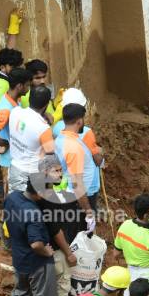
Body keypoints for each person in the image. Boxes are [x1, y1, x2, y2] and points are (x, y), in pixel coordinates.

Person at [36, 156, 86, 296]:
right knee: (62, 285)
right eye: (56, 171)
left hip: (49, 249)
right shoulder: (46, 196)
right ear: (45, 173)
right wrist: (68, 253)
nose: (60, 174)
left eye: (60, 170)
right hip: (56, 250)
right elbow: (55, 230)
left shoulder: (44, 191)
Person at [4, 162, 56, 296]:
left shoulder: (12, 197)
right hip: (36, 264)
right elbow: (36, 244)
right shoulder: (33, 213)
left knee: (21, 293)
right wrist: (46, 252)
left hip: (19, 258)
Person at [55, 102, 98, 237]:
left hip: (68, 196)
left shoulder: (59, 139)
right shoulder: (73, 147)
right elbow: (77, 184)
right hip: (80, 199)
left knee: (71, 234)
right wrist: (88, 212)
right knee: (81, 239)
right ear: (79, 121)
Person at [0, 66, 33, 189]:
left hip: (14, 159)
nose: (28, 89)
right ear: (19, 86)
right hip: (10, 161)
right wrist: (5, 143)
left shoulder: (10, 99)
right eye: (27, 85)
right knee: (12, 194)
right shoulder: (6, 110)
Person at [7, 85, 56, 192]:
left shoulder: (15, 111)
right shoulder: (43, 128)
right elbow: (50, 153)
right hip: (31, 176)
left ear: (29, 99)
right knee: (30, 206)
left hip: (14, 169)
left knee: (15, 203)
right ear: (46, 105)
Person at [0, 47, 23, 121]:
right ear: (2, 67)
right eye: (14, 67)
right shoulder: (3, 87)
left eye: (18, 66)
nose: (18, 70)